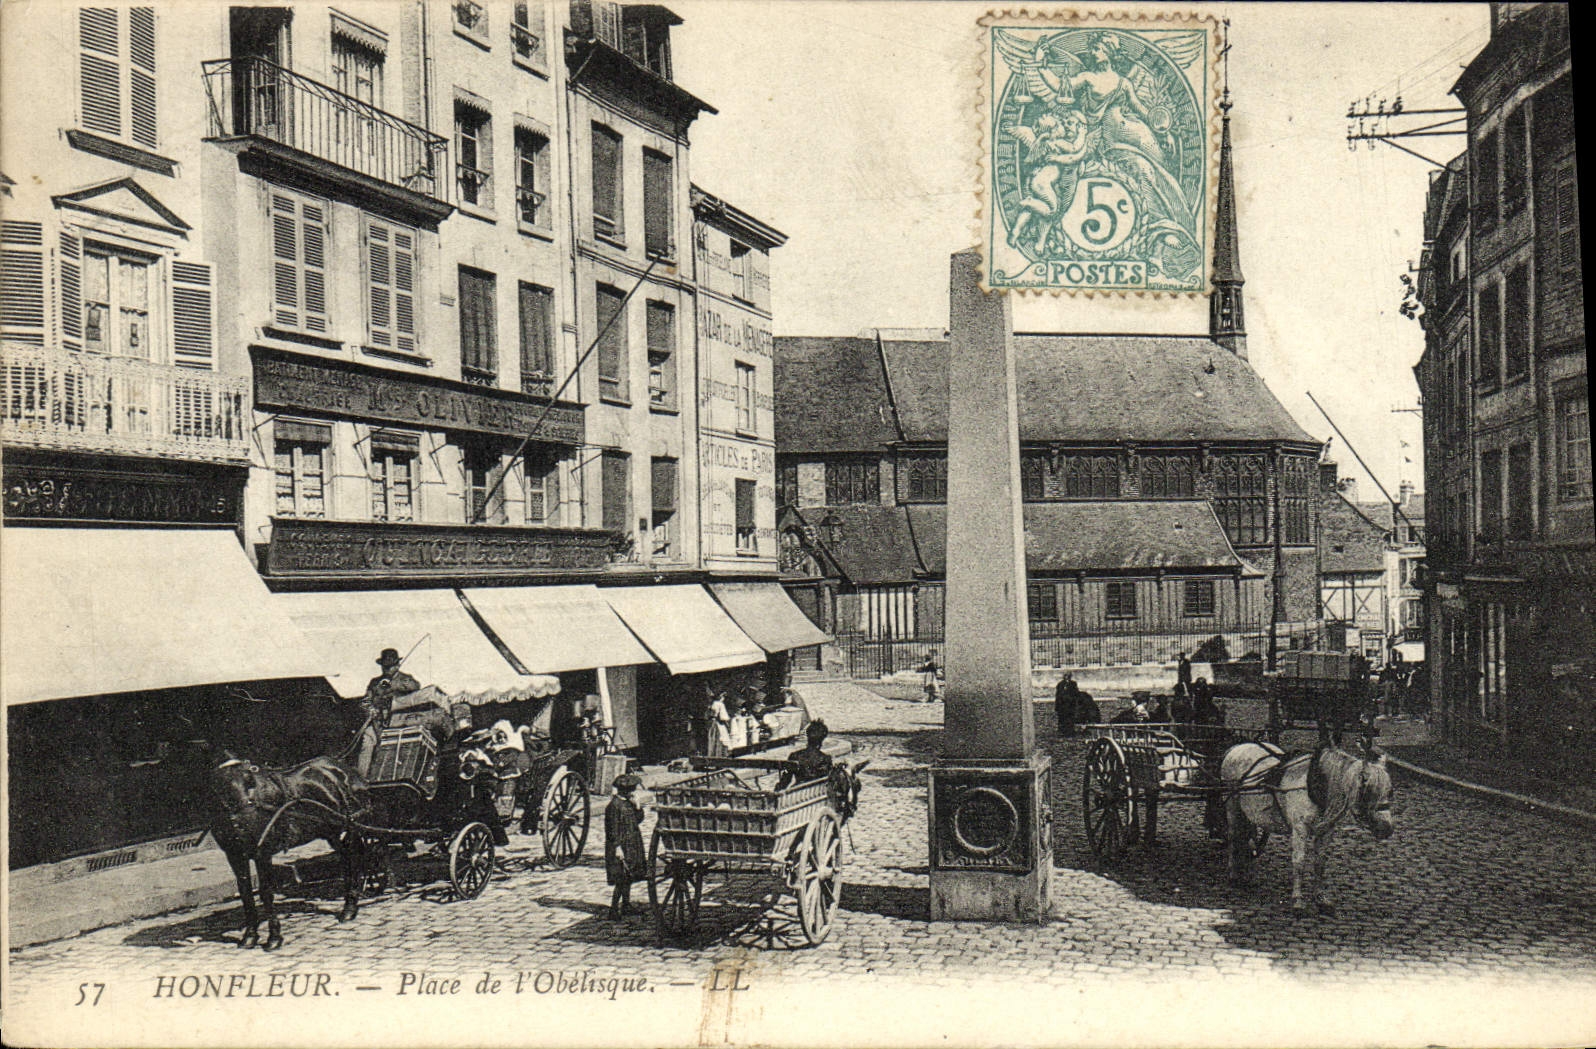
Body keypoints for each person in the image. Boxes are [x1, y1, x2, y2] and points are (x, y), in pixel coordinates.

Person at [604, 773, 647, 919]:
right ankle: (614, 909)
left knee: (628, 877)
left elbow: (638, 820)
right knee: (620, 879)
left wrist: (638, 806)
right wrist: (617, 848)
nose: (633, 792)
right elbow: (611, 829)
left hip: (631, 844)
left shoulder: (628, 803)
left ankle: (626, 905)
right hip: (620, 846)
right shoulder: (614, 806)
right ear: (624, 790)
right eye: (631, 790)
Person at [778, 720, 834, 789]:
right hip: (818, 795)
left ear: (807, 736)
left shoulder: (795, 756)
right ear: (823, 738)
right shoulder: (826, 759)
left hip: (798, 794)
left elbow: (784, 782)